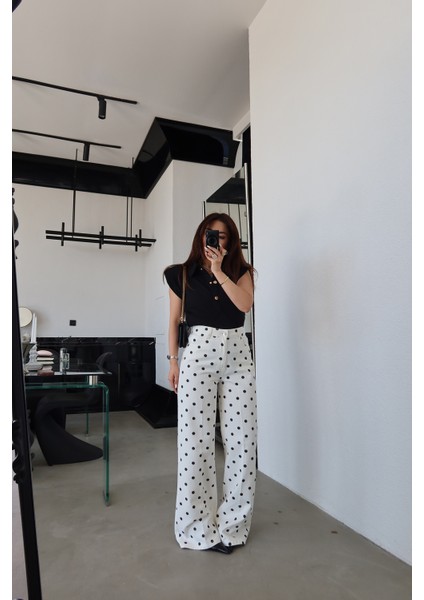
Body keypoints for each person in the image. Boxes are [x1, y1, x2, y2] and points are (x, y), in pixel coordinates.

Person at [164, 212, 257, 555]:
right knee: (195, 442)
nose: (215, 240)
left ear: (230, 242)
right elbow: (173, 321)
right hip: (198, 354)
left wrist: (219, 271)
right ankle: (196, 528)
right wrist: (173, 362)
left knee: (243, 442)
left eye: (222, 235)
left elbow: (245, 305)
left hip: (237, 356)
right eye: (210, 233)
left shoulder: (241, 272)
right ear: (201, 236)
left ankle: (233, 525)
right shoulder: (180, 274)